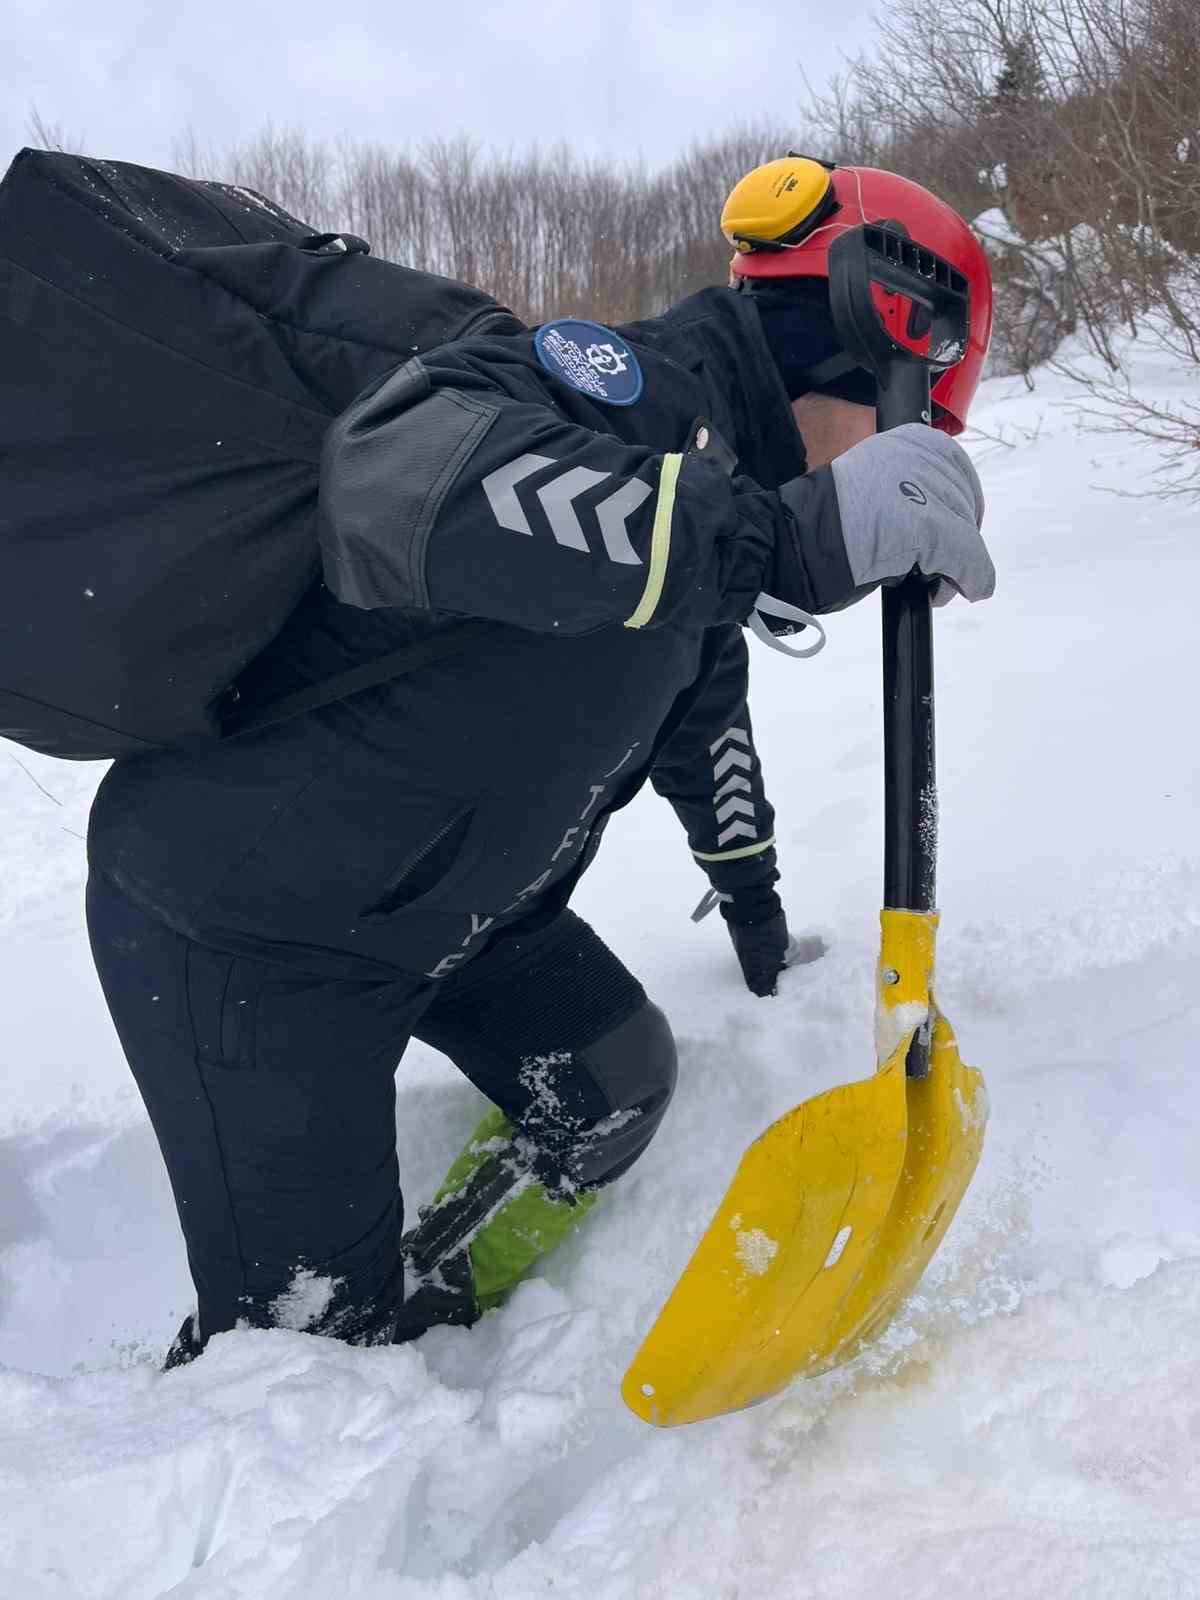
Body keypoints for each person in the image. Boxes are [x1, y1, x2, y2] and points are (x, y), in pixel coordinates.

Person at [84, 158, 995, 1362]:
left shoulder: (706, 544)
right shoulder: (623, 392)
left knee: (614, 1081)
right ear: (868, 334)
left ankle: (435, 1306)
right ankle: (312, 1389)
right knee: (298, 1359)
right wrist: (782, 532)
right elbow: (402, 479)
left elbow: (708, 737)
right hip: (254, 933)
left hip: (446, 915)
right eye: (903, 434)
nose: (884, 469)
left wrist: (755, 914)